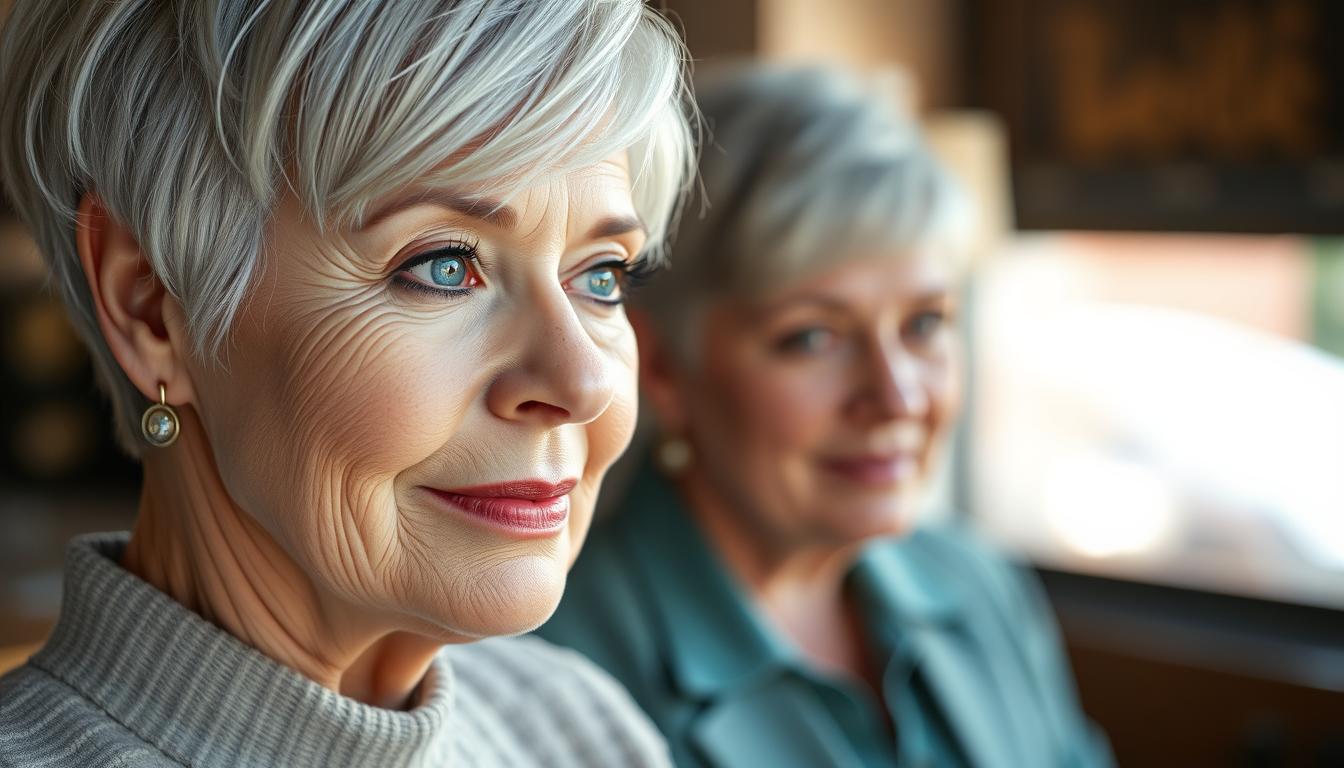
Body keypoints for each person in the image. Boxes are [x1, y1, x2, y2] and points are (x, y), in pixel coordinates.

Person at [0, 1, 692, 765]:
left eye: (600, 276)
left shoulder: (578, 732)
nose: (583, 382)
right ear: (153, 307)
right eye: (444, 266)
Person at [536, 64, 1113, 768]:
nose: (898, 398)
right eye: (813, 338)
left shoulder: (982, 589)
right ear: (661, 367)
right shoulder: (551, 676)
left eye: (926, 323)